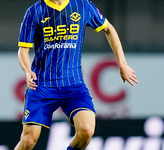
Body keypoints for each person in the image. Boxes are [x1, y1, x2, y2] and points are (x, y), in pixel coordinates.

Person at [14, 0, 139, 149]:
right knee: (28, 140)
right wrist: (28, 71)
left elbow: (109, 29)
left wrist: (122, 64)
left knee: (86, 131)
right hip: (42, 85)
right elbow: (23, 49)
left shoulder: (82, 5)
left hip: (73, 84)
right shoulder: (34, 11)